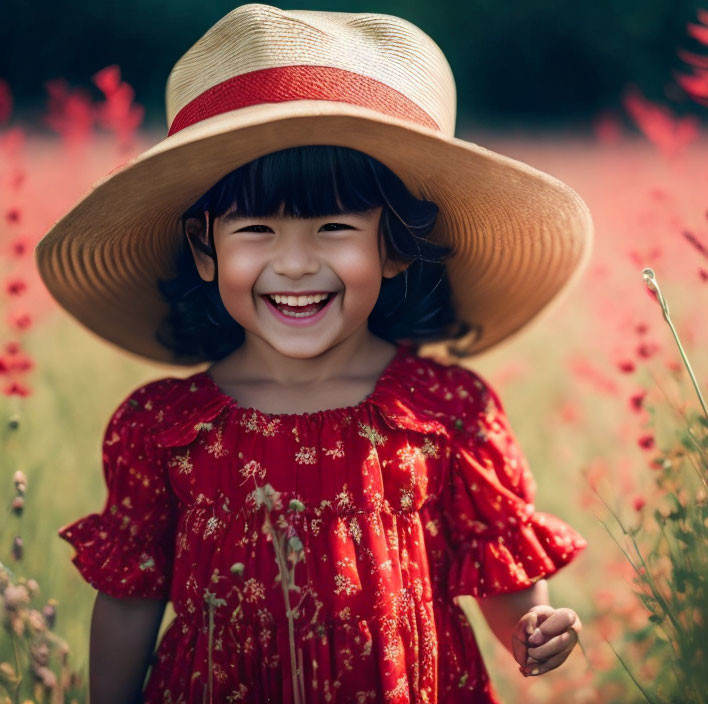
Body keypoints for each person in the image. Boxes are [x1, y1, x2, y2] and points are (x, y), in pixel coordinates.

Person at [37, 5, 594, 703]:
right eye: (256, 229)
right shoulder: (162, 427)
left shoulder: (448, 412)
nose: (295, 263)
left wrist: (534, 630)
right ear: (205, 249)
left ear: (392, 246)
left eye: (334, 227)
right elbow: (129, 602)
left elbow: (504, 583)